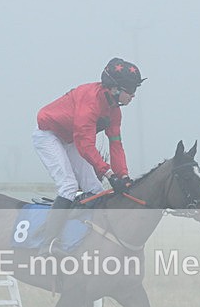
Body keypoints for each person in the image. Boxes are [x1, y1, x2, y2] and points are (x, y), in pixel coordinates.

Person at [32, 57, 145, 255]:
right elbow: (85, 145)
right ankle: (47, 245)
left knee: (95, 190)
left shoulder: (114, 111)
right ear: (114, 88)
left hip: (70, 140)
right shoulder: (90, 101)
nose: (133, 95)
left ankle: (85, 238)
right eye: (130, 90)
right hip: (48, 135)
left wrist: (123, 175)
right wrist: (109, 173)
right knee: (69, 186)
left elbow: (116, 145)